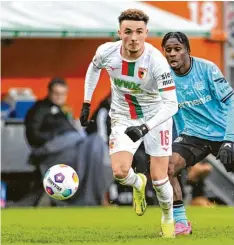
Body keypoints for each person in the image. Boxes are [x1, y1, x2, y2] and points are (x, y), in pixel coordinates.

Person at [80, 9, 178, 237]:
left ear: (146, 33)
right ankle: (137, 183)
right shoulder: (106, 52)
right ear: (119, 33)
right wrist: (86, 102)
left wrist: (145, 127)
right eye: (128, 32)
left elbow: (172, 105)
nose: (133, 38)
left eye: (139, 32)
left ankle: (167, 219)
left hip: (156, 118)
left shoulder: (157, 62)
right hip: (123, 116)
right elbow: (93, 68)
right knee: (120, 171)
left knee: (160, 178)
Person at [161, 32, 234, 235]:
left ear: (187, 51)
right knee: (168, 168)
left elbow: (231, 101)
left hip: (222, 132)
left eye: (178, 49)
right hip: (193, 135)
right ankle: (181, 223)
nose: (173, 54)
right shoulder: (164, 77)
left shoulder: (207, 69)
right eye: (168, 50)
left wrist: (230, 140)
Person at [24, 78, 112, 207]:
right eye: (56, 93)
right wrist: (55, 137)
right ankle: (91, 198)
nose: (59, 97)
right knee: (94, 145)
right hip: (54, 149)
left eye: (63, 94)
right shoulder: (40, 109)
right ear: (49, 92)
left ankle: (96, 196)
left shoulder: (63, 111)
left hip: (73, 145)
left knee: (96, 146)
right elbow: (33, 135)